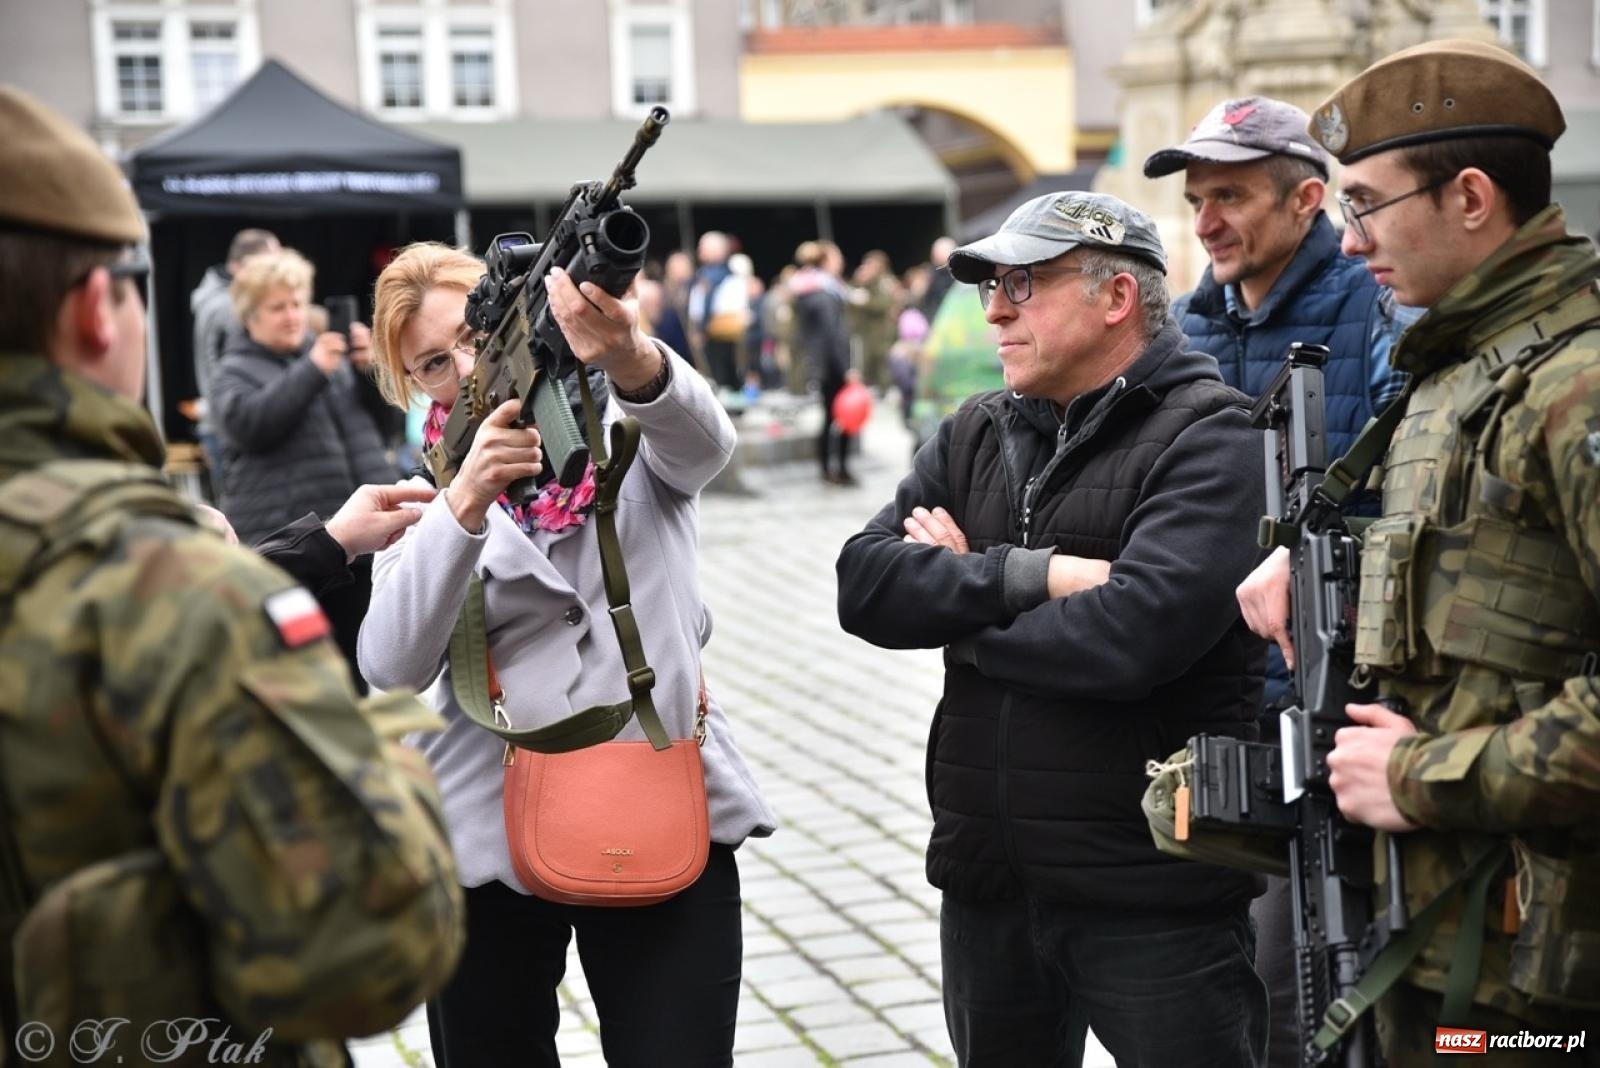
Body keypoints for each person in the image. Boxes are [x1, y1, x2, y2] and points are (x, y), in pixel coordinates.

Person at [0, 85, 463, 1062]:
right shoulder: (173, 595)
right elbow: (370, 946)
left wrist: (319, 543)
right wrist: (376, 748)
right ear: (97, 309)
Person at [837, 191, 1269, 1066]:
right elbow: (866, 585)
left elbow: (1132, 637)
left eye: (1024, 283)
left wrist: (959, 606)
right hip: (989, 883)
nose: (994, 307)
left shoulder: (1213, 434)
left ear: (1116, 299)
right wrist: (1028, 575)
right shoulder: (976, 430)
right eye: (993, 285)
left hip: (1151, 893)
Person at [1236, 40, 1600, 1064]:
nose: (1348, 244)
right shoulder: (1457, 371)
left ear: (1471, 197)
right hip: (1444, 948)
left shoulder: (1577, 387)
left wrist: (1423, 775)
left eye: (1364, 203)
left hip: (1546, 991)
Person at [359, 242, 775, 1068]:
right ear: (412, 388)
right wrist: (464, 505)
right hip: (486, 832)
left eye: (475, 339)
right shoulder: (430, 490)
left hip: (657, 792)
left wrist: (629, 352)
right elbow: (391, 663)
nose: (465, 369)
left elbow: (705, 450)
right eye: (434, 365)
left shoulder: (628, 423)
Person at [1143, 93, 1413, 1067]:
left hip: (1343, 707)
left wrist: (1309, 554)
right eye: (1195, 199)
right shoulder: (1186, 329)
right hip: (1218, 715)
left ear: (1307, 201)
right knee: (1242, 989)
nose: (1205, 220)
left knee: (1326, 985)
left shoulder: (1374, 303)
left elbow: (1416, 490)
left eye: (1230, 196)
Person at [209, 248, 397, 544]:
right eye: (277, 308)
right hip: (291, 541)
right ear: (249, 317)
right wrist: (312, 369)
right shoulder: (231, 372)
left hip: (363, 533)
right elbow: (250, 427)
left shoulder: (332, 357)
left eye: (297, 304)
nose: (292, 316)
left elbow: (386, 428)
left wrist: (371, 373)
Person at [189, 226, 279, 483]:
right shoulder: (230, 308)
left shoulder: (216, 300)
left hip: (222, 423)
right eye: (272, 264)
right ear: (246, 265)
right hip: (234, 426)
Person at [791, 239, 857, 486]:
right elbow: (833, 335)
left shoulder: (810, 291)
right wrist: (846, 368)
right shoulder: (825, 294)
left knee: (830, 416)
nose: (840, 261)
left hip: (821, 363)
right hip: (832, 365)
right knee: (838, 417)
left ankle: (829, 469)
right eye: (836, 256)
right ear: (825, 261)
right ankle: (837, 468)